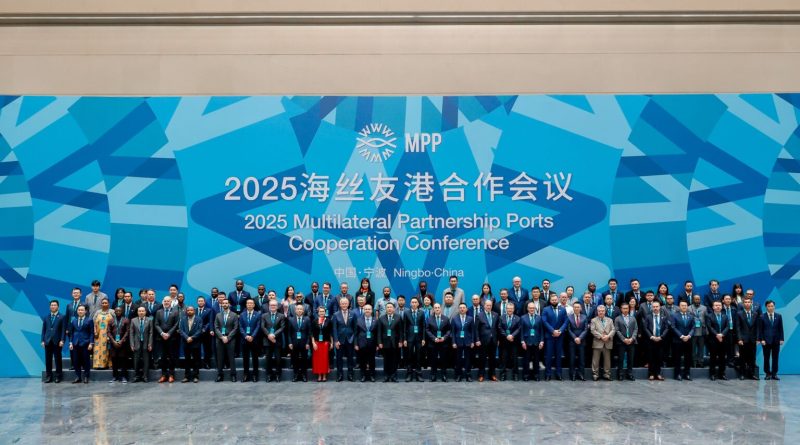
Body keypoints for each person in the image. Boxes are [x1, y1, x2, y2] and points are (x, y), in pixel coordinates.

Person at [541, 293, 567, 381]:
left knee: (558, 356)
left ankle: (559, 374)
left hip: (560, 336)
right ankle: (548, 374)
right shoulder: (545, 309)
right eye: (552, 300)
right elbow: (544, 322)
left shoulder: (563, 309)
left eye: (555, 300)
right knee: (548, 356)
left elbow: (566, 321)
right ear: (550, 301)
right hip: (550, 336)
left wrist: (560, 331)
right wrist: (553, 331)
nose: (554, 301)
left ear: (558, 300)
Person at [155, 296, 179, 383]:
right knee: (163, 357)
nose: (166, 302)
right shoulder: (159, 312)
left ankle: (171, 375)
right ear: (163, 302)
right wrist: (162, 333)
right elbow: (156, 324)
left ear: (171, 302)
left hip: (171, 338)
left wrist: (168, 334)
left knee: (172, 357)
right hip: (161, 338)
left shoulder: (175, 312)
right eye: (165, 301)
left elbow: (176, 324)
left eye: (168, 301)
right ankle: (163, 375)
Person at [376, 302, 403, 382]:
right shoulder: (381, 318)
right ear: (385, 309)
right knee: (386, 360)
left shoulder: (398, 317)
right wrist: (379, 342)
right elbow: (379, 332)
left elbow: (401, 331)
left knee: (394, 360)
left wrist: (400, 341)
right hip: (385, 343)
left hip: (395, 342)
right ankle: (386, 376)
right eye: (387, 307)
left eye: (391, 307)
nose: (389, 309)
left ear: (394, 308)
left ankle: (394, 376)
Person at [261, 299, 286, 382]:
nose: (273, 306)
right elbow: (263, 327)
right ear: (269, 306)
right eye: (271, 305)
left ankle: (278, 375)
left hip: (277, 340)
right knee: (268, 359)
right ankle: (269, 375)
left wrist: (274, 335)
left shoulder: (281, 316)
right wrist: (269, 335)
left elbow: (282, 327)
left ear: (277, 306)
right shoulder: (264, 315)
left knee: (278, 359)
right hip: (267, 340)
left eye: (274, 305)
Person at [643, 301, 669, 381]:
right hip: (651, 340)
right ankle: (651, 374)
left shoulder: (664, 317)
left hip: (660, 340)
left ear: (659, 307)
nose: (655, 308)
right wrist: (651, 336)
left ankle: (658, 374)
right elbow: (645, 328)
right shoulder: (648, 317)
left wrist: (661, 337)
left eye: (657, 306)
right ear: (652, 308)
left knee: (659, 357)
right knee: (651, 357)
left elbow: (667, 328)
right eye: (654, 307)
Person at [41, 300, 66, 383]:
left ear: (58, 306)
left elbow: (63, 330)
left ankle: (58, 376)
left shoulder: (62, 317)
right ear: (49, 307)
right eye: (51, 305)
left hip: (57, 341)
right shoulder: (46, 317)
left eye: (55, 305)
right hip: (47, 341)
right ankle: (49, 376)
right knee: (48, 360)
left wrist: (62, 340)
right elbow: (43, 330)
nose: (53, 306)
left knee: (57, 359)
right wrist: (42, 340)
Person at [758, 300, 784, 380]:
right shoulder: (762, 316)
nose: (770, 308)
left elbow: (781, 328)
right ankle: (767, 373)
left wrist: (781, 339)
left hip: (776, 341)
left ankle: (774, 374)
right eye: (769, 306)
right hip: (766, 341)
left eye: (772, 306)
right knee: (766, 358)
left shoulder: (778, 316)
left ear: (774, 307)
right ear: (766, 307)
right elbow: (760, 330)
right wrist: (761, 339)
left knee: (775, 358)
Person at [214, 298, 239, 382]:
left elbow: (235, 328)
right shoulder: (218, 315)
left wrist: (228, 337)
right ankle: (220, 375)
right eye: (223, 303)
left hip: (230, 339)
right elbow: (216, 327)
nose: (224, 304)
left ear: (229, 304)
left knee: (231, 357)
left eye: (226, 303)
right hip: (220, 339)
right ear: (221, 305)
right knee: (220, 358)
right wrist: (222, 337)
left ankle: (233, 375)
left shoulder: (234, 315)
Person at [332, 297, 357, 382]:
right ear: (340, 304)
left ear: (348, 304)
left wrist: (354, 339)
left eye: (346, 303)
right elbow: (334, 329)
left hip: (350, 339)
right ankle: (340, 375)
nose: (344, 305)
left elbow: (355, 328)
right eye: (342, 303)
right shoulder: (336, 314)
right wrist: (336, 341)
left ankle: (350, 375)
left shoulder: (353, 314)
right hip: (339, 340)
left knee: (350, 358)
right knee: (339, 358)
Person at [69, 304, 94, 384]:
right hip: (75, 343)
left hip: (85, 343)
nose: (80, 311)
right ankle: (78, 377)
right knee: (76, 361)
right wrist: (70, 343)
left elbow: (91, 333)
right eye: (79, 310)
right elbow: (71, 333)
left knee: (86, 361)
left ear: (85, 311)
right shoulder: (74, 320)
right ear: (77, 311)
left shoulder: (89, 320)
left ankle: (86, 377)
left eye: (82, 310)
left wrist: (91, 343)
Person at [426, 303, 451, 382]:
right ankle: (433, 375)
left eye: (438, 307)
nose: (437, 309)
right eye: (435, 308)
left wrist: (444, 337)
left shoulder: (446, 318)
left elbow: (449, 330)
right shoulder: (429, 319)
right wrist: (434, 338)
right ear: (433, 309)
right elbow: (427, 330)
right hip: (433, 343)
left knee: (444, 359)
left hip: (443, 342)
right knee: (433, 359)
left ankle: (444, 375)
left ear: (440, 308)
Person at [476, 299, 499, 382]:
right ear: (484, 306)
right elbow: (476, 329)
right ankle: (481, 375)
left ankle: (492, 375)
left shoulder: (496, 315)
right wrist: (477, 340)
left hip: (493, 340)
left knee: (492, 359)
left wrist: (498, 339)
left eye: (490, 305)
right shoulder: (479, 315)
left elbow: (497, 328)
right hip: (483, 341)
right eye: (487, 305)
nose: (489, 307)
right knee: (482, 359)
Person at [450, 303, 475, 382]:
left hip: (468, 342)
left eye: (464, 307)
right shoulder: (454, 319)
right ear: (458, 309)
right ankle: (458, 375)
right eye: (460, 308)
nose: (462, 309)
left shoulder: (470, 319)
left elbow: (473, 331)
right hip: (458, 342)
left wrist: (472, 341)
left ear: (466, 309)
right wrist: (453, 342)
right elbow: (452, 332)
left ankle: (468, 375)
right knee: (458, 359)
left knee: (468, 360)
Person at [520, 301, 544, 381]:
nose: (531, 309)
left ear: (535, 309)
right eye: (530, 308)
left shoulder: (539, 318)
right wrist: (522, 341)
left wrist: (542, 341)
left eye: (533, 308)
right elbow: (521, 331)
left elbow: (541, 330)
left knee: (536, 360)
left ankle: (536, 375)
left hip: (537, 342)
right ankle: (526, 375)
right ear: (527, 308)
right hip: (526, 342)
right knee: (526, 360)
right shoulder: (523, 318)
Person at [590, 305, 615, 381]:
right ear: (597, 312)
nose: (601, 312)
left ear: (605, 311)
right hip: (597, 342)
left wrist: (608, 336)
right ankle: (595, 375)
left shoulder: (610, 320)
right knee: (595, 360)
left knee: (607, 360)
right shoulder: (593, 320)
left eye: (602, 311)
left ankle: (607, 374)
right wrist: (601, 336)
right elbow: (592, 330)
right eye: (599, 311)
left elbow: (613, 329)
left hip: (607, 342)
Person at [736, 297, 759, 380]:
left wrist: (758, 339)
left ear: (751, 303)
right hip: (743, 339)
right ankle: (742, 374)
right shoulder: (739, 314)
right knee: (742, 357)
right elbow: (738, 328)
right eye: (745, 302)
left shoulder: (755, 314)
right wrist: (739, 339)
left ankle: (751, 374)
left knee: (752, 357)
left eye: (749, 302)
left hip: (753, 339)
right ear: (743, 304)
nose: (747, 303)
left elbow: (757, 327)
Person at [671, 300, 694, 381]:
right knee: (677, 358)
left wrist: (689, 335)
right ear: (679, 306)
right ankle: (677, 374)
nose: (684, 307)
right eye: (682, 305)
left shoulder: (691, 316)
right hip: (678, 340)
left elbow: (693, 327)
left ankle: (687, 374)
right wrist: (681, 336)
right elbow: (673, 327)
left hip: (688, 340)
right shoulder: (674, 315)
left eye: (685, 305)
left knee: (688, 358)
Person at [706, 301, 729, 381]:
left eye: (719, 305)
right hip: (713, 340)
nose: (718, 307)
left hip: (723, 340)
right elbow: (710, 327)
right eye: (716, 305)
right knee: (713, 357)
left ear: (721, 307)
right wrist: (717, 335)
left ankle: (722, 374)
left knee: (722, 358)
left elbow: (727, 327)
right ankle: (712, 374)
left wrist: (722, 334)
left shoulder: (725, 316)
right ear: (713, 307)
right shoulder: (709, 316)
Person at [404, 297, 426, 382]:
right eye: (412, 302)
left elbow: (423, 326)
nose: (414, 304)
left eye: (415, 302)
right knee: (409, 356)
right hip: (409, 338)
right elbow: (404, 327)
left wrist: (423, 338)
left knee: (418, 356)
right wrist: (405, 339)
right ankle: (409, 374)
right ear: (410, 304)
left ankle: (418, 374)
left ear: (418, 304)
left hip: (419, 338)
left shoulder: (422, 313)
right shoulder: (406, 313)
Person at [239, 298, 261, 382]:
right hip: (244, 340)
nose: (249, 305)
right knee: (245, 358)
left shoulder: (258, 314)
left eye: (251, 303)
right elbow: (240, 327)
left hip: (254, 340)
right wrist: (246, 336)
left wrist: (252, 336)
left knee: (255, 358)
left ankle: (255, 375)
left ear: (254, 305)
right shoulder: (242, 314)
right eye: (248, 303)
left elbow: (258, 326)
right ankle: (246, 375)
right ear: (246, 305)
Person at [496, 301, 519, 381]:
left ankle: (515, 374)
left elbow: (519, 329)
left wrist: (512, 335)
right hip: (504, 341)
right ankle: (503, 374)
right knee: (503, 358)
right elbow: (499, 328)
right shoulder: (501, 317)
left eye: (511, 308)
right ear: (506, 309)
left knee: (515, 359)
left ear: (513, 309)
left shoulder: (517, 318)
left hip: (514, 341)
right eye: (508, 308)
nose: (510, 310)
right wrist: (507, 336)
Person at [355, 304, 378, 382]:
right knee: (362, 360)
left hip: (372, 343)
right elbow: (356, 333)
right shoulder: (358, 320)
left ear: (372, 310)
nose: (367, 310)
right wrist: (356, 344)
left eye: (369, 309)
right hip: (362, 343)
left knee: (372, 360)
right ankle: (363, 375)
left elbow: (377, 333)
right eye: (366, 309)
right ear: (363, 310)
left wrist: (378, 344)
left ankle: (372, 375)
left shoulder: (376, 320)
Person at [180, 305, 203, 383]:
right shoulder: (183, 319)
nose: (189, 311)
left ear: (194, 311)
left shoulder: (199, 319)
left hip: (195, 342)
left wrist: (192, 338)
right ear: (186, 311)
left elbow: (199, 330)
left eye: (191, 310)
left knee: (196, 360)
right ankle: (187, 377)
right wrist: (187, 338)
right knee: (187, 360)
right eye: (188, 310)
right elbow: (181, 330)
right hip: (186, 342)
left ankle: (196, 376)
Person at [614, 303, 637, 381]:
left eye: (627, 308)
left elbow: (636, 329)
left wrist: (632, 338)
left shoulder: (633, 318)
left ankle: (629, 374)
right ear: (621, 309)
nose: (625, 310)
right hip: (621, 342)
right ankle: (620, 374)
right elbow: (617, 330)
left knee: (630, 359)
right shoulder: (617, 318)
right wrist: (624, 339)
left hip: (631, 342)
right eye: (624, 308)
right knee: (621, 359)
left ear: (629, 309)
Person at [130, 306, 153, 382]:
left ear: (145, 312)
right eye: (139, 311)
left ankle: (145, 376)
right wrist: (132, 344)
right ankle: (136, 376)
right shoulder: (133, 320)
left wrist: (150, 344)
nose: (141, 312)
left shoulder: (149, 320)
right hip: (136, 343)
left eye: (143, 311)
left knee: (146, 361)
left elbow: (151, 333)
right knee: (136, 361)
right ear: (137, 312)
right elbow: (131, 333)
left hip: (146, 343)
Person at [288, 304, 310, 382]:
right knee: (295, 360)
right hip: (294, 343)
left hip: (304, 343)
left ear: (303, 311)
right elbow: (289, 333)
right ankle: (296, 375)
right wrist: (290, 343)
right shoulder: (291, 319)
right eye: (298, 309)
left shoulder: (307, 319)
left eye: (301, 309)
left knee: (304, 360)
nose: (299, 310)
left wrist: (308, 343)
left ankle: (304, 375)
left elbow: (309, 332)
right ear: (295, 310)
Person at [108, 306, 130, 383]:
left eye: (119, 311)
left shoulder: (126, 320)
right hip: (113, 344)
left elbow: (127, 331)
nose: (118, 312)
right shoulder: (111, 320)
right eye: (116, 311)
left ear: (122, 312)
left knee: (123, 360)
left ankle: (124, 376)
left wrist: (121, 341)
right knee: (114, 360)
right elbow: (108, 332)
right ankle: (115, 376)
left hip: (123, 344)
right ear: (114, 312)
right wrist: (113, 341)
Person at [567, 302, 588, 381]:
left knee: (581, 359)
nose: (576, 308)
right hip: (572, 341)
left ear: (580, 308)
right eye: (575, 307)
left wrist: (580, 338)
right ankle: (572, 375)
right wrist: (575, 338)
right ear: (573, 308)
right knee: (572, 359)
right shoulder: (569, 317)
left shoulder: (584, 317)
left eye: (578, 307)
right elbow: (568, 329)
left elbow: (586, 329)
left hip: (582, 341)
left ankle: (581, 374)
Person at [311, 306, 333, 382]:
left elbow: (330, 333)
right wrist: (313, 343)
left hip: (325, 343)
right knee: (318, 360)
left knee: (324, 360)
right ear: (318, 312)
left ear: (325, 312)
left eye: (323, 311)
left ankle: (324, 375)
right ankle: (319, 375)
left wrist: (332, 343)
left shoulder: (328, 321)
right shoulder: (314, 321)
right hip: (317, 343)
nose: (321, 313)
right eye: (320, 311)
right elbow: (312, 333)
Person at [92, 299, 114, 370]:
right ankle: (98, 364)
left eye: (106, 303)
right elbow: (94, 323)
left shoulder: (112, 312)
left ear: (108, 304)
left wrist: (111, 334)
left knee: (108, 349)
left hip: (108, 334)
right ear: (101, 304)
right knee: (98, 349)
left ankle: (108, 364)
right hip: (98, 335)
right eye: (103, 303)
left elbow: (115, 322)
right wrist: (95, 332)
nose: (104, 304)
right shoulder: (98, 312)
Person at [690, 294, 708, 368]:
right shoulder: (689, 308)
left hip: (701, 330)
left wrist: (706, 329)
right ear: (693, 300)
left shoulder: (704, 308)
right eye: (696, 299)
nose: (697, 300)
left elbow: (706, 319)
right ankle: (694, 362)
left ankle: (701, 361)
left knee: (701, 348)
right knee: (693, 348)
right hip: (693, 331)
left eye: (698, 299)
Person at [196, 296, 213, 369]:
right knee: (197, 349)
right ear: (197, 302)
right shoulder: (194, 310)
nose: (200, 302)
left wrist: (204, 329)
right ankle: (198, 364)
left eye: (202, 301)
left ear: (204, 302)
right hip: (196, 334)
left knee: (207, 349)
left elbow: (210, 321)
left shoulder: (209, 310)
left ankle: (207, 363)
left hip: (205, 333)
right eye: (199, 301)